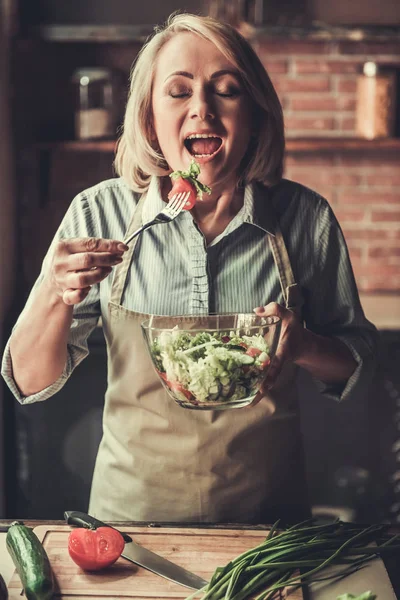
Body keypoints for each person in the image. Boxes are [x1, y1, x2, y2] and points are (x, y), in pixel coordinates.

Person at [2, 13, 378, 524]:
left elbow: (358, 363)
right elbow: (28, 382)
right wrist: (52, 288)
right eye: (178, 92)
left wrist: (305, 345)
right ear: (150, 119)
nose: (202, 108)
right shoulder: (98, 214)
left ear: (256, 117)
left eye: (226, 90)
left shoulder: (306, 219)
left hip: (267, 528)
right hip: (130, 529)